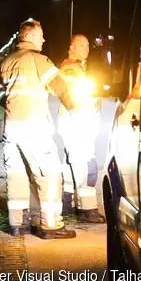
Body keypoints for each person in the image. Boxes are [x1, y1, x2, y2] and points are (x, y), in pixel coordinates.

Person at [0, 19, 77, 239]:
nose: (44, 39)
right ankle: (50, 225)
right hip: (34, 127)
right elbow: (60, 87)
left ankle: (18, 225)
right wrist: (74, 108)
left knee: (16, 176)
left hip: (12, 127)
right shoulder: (37, 59)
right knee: (50, 174)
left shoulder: (6, 62)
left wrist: (6, 102)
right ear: (30, 36)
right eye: (41, 35)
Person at [57, 35, 106, 223]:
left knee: (74, 161)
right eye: (81, 45)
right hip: (77, 120)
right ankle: (87, 208)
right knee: (85, 163)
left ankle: (67, 202)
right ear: (72, 47)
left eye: (87, 45)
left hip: (76, 119)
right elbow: (70, 95)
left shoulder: (77, 67)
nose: (86, 48)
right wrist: (80, 112)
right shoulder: (71, 68)